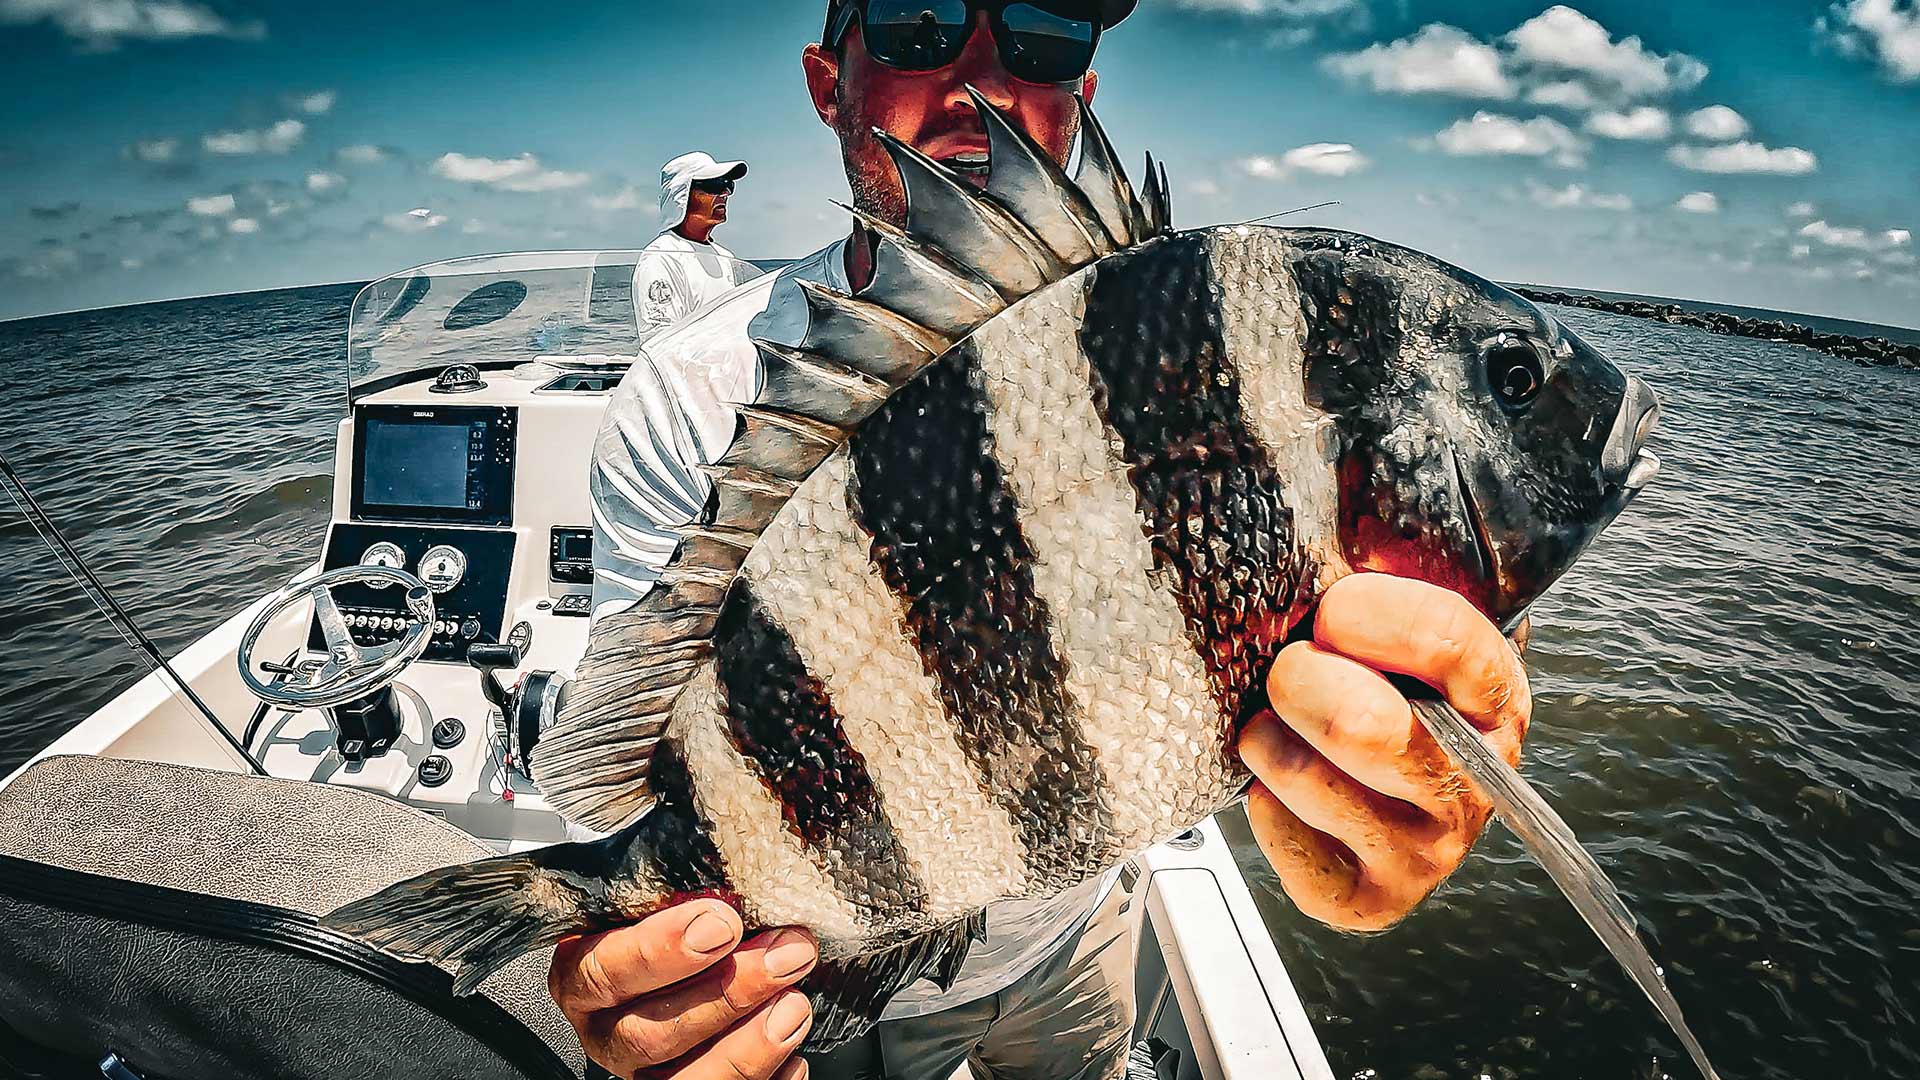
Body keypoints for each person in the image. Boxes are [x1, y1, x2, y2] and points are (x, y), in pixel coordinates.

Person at [559, 2, 1534, 1078]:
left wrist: (1399, 769)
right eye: (915, 23)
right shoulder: (685, 401)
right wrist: (646, 975)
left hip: (1075, 936)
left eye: (1044, 32)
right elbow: (641, 764)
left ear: (1086, 91)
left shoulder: (1177, 350)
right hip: (815, 966)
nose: (982, 82)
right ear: (825, 81)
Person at [634, 151, 755, 336]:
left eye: (728, 185)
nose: (725, 193)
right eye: (713, 185)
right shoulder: (662, 257)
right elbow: (659, 341)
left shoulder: (725, 257)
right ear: (680, 196)